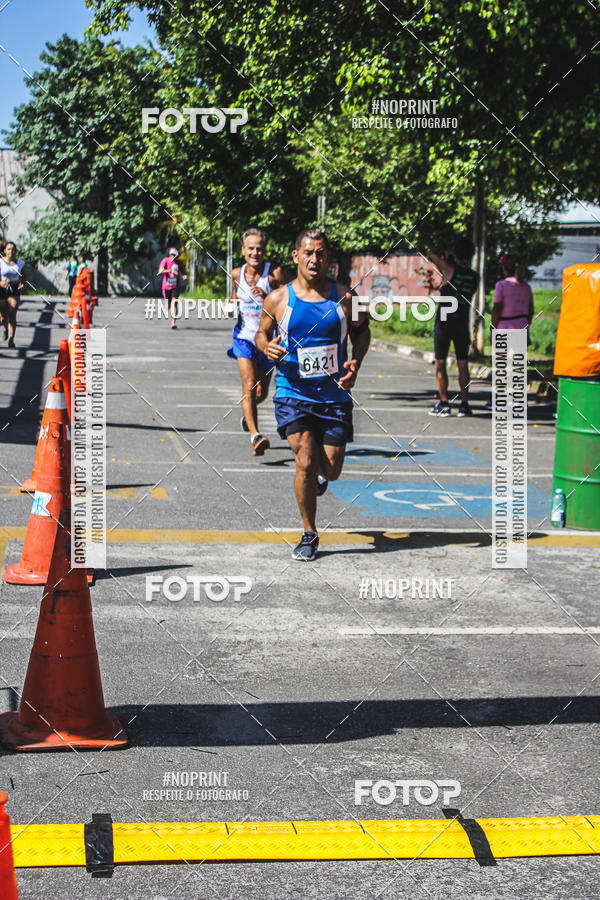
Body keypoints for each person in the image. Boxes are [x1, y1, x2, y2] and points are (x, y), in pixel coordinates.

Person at [255, 228, 370, 561]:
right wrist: (267, 347)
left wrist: (356, 364)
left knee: (331, 470)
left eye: (320, 253)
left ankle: (321, 477)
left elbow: (363, 333)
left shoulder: (345, 298)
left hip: (334, 397)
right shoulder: (278, 299)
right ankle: (309, 532)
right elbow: (261, 335)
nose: (314, 259)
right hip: (293, 393)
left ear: (328, 258)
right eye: (308, 253)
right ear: (296, 256)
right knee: (304, 459)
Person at [227, 228, 284, 455]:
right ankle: (255, 435)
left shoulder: (274, 274)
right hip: (243, 338)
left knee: (260, 394)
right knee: (249, 384)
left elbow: (287, 297)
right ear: (243, 251)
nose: (255, 253)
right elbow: (234, 296)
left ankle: (247, 414)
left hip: (267, 341)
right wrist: (230, 307)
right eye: (251, 248)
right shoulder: (235, 274)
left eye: (259, 249)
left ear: (264, 250)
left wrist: (268, 294)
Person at [426, 238, 478, 417]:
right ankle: (464, 404)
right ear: (472, 255)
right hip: (462, 322)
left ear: (456, 253)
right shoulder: (474, 276)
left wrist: (444, 252)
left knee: (440, 363)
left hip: (445, 322)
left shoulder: (449, 269)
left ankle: (444, 403)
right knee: (463, 364)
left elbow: (430, 254)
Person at [0, 241, 26, 348]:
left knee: (12, 313)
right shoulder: (0, 262)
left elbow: (24, 276)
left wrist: (22, 283)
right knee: (3, 316)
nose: (11, 251)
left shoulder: (20, 263)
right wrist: (1, 283)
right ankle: (6, 328)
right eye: (9, 249)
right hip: (2, 289)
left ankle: (11, 339)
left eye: (13, 249)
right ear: (4, 250)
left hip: (14, 289)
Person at [158, 247, 186, 329]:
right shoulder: (165, 260)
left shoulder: (179, 262)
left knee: (175, 302)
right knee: (168, 305)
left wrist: (184, 275)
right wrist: (170, 271)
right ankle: (167, 304)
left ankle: (173, 323)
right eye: (171, 254)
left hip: (176, 286)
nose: (172, 256)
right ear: (169, 254)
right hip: (166, 286)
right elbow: (160, 271)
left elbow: (183, 271)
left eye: (174, 255)